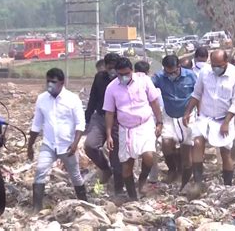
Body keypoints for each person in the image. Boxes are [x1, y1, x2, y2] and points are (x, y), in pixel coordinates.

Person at [182, 50, 235, 193]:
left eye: (219, 65)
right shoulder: (205, 72)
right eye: (213, 65)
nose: (216, 68)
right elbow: (196, 94)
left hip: (224, 118)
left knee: (225, 152)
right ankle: (198, 182)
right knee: (197, 143)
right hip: (205, 117)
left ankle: (227, 185)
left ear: (226, 62)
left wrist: (226, 122)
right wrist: (187, 112)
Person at [103, 57, 163, 200]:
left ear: (132, 71)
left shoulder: (144, 81)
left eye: (127, 74)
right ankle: (132, 197)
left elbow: (154, 102)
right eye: (120, 75)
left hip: (145, 124)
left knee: (149, 156)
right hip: (126, 129)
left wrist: (159, 122)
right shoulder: (111, 88)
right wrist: (109, 134)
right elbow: (109, 112)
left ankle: (142, 180)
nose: (124, 77)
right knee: (127, 165)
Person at [28, 68, 87, 213]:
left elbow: (80, 124)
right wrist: (29, 146)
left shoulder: (72, 99)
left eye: (53, 82)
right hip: (48, 144)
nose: (49, 85)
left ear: (62, 82)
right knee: (40, 171)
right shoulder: (42, 99)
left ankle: (85, 204)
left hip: (68, 146)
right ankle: (37, 207)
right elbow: (36, 124)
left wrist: (75, 144)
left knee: (75, 175)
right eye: (48, 81)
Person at [152, 55, 197, 189]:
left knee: (186, 149)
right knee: (166, 144)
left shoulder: (191, 76)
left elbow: (199, 94)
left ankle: (185, 180)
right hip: (169, 115)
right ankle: (172, 170)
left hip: (187, 115)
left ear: (179, 67)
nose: (171, 75)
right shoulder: (160, 77)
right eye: (168, 72)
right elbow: (147, 87)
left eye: (174, 72)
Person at [84, 53, 123, 194]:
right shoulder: (99, 78)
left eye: (114, 68)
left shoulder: (123, 80)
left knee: (116, 157)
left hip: (118, 120)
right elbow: (92, 98)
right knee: (90, 146)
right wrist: (87, 120)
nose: (112, 71)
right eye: (109, 68)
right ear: (105, 67)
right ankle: (105, 170)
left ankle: (118, 190)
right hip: (100, 117)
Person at [134, 60, 161, 184]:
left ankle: (135, 176)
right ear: (148, 71)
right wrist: (159, 123)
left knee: (132, 152)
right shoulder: (149, 81)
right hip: (148, 122)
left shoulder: (130, 82)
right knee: (150, 151)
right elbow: (156, 104)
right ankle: (153, 177)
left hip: (132, 123)